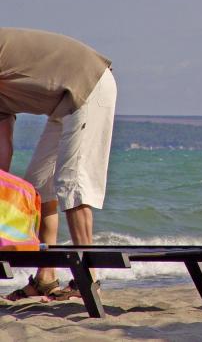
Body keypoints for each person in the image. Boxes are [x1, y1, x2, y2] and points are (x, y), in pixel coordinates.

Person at [0, 28, 117, 300]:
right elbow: (3, 147)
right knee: (38, 187)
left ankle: (88, 277)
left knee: (72, 182)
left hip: (88, 84)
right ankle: (45, 277)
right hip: (61, 103)